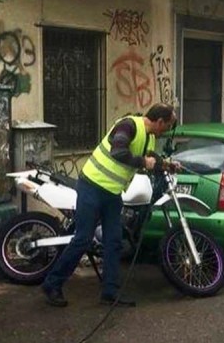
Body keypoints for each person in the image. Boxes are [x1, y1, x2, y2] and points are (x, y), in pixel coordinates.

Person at [41, 103, 178, 307]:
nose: (166, 131)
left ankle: (109, 293)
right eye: (167, 126)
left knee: (114, 242)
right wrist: (143, 163)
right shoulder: (128, 125)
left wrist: (167, 165)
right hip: (92, 187)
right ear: (160, 122)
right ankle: (52, 284)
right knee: (83, 238)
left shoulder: (149, 137)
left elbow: (150, 158)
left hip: (112, 194)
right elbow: (118, 152)